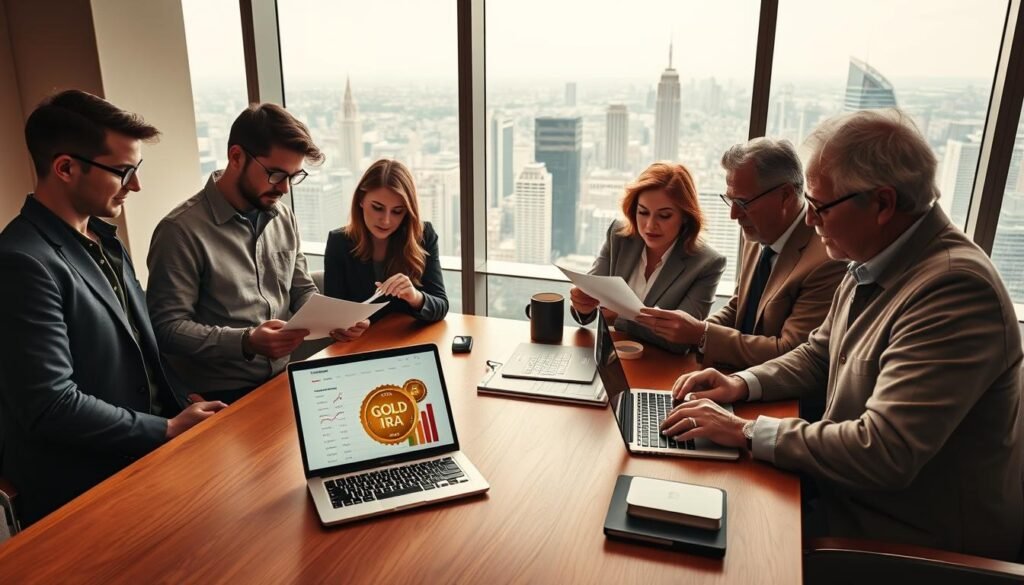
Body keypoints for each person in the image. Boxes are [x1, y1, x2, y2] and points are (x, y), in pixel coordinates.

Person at [660, 109, 1023, 561]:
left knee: (712, 549)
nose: (809, 221)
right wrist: (740, 383)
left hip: (904, 543)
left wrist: (745, 431)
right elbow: (817, 353)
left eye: (820, 206)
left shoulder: (954, 290)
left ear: (883, 204)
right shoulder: (870, 256)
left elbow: (883, 451)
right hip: (845, 501)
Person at [0, 90, 225, 525]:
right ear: (65, 168)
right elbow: (51, 404)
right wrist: (166, 429)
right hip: (87, 487)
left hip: (152, 457)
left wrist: (187, 402)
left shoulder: (105, 241)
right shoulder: (21, 262)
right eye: (123, 171)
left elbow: (140, 348)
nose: (135, 185)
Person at [147, 103, 326, 404]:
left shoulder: (282, 216)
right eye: (275, 174)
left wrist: (333, 320)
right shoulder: (180, 230)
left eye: (293, 177)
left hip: (283, 380)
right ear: (236, 157)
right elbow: (167, 329)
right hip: (218, 399)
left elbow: (301, 288)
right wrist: (246, 342)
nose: (284, 189)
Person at [635, 138, 845, 370]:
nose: (734, 215)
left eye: (743, 202)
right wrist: (692, 330)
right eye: (731, 200)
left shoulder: (825, 260)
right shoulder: (759, 231)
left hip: (781, 398)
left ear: (785, 195)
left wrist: (701, 334)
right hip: (734, 375)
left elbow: (791, 352)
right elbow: (739, 307)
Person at [569, 162, 725, 353]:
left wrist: (617, 318)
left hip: (661, 369)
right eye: (643, 212)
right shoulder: (619, 236)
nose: (650, 226)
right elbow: (589, 306)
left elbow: (681, 340)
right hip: (612, 359)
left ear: (685, 216)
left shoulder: (707, 263)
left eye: (664, 216)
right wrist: (582, 307)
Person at [324, 159, 448, 324]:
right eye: (377, 208)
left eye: (397, 211)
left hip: (409, 341)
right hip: (361, 344)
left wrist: (415, 297)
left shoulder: (423, 236)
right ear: (361, 200)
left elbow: (441, 306)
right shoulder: (338, 242)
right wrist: (346, 328)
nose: (386, 221)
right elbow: (332, 317)